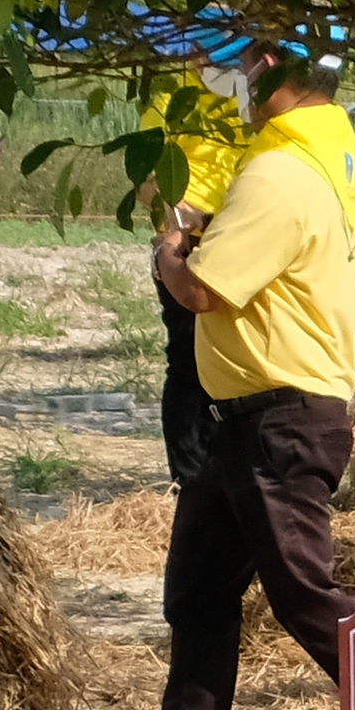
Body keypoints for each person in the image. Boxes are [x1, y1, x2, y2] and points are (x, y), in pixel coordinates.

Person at [95, 49, 355, 710]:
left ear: (274, 69)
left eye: (240, 64)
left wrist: (171, 249)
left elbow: (202, 287)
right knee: (199, 591)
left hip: (275, 420)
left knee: (305, 594)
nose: (229, 82)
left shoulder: (279, 174)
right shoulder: (346, 172)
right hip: (256, 420)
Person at [138, 45, 249, 487]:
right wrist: (182, 220)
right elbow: (145, 180)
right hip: (188, 243)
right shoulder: (171, 93)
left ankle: (224, 464)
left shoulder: (248, 98)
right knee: (187, 360)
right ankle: (188, 476)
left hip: (241, 242)